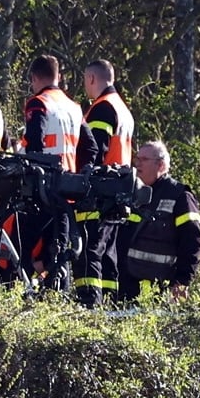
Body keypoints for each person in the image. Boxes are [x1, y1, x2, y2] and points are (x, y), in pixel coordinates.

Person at [15, 55, 85, 292]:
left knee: (23, 244)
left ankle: (20, 293)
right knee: (59, 247)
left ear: (35, 78)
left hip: (41, 187)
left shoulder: (39, 102)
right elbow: (92, 146)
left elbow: (35, 144)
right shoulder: (74, 107)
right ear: (59, 76)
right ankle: (59, 295)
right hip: (67, 188)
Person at [74, 61, 136, 303]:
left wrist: (81, 179)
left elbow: (95, 150)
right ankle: (110, 303)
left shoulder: (102, 108)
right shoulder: (122, 108)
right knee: (109, 254)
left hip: (99, 191)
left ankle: (90, 304)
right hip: (118, 192)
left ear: (91, 78)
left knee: (90, 253)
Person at [116, 140, 200, 303]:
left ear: (161, 165)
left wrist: (181, 286)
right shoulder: (131, 194)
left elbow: (193, 243)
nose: (137, 164)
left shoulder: (180, 196)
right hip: (128, 289)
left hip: (162, 293)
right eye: (137, 159)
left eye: (144, 160)